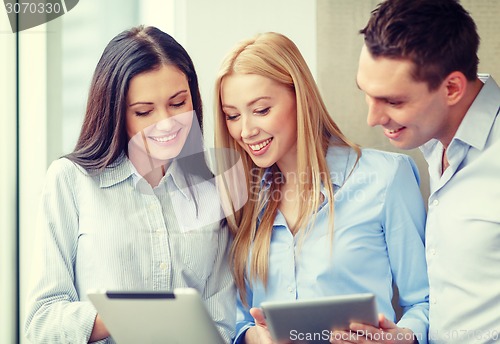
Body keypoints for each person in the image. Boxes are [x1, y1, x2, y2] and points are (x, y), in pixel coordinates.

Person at [214, 31, 429, 344]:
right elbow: (232, 317)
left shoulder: (386, 177)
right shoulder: (241, 197)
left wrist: (402, 338)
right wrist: (252, 337)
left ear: (300, 98)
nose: (245, 131)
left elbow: (426, 301)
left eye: (261, 110)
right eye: (232, 115)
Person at [24, 25, 235, 343]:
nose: (166, 123)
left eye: (178, 104)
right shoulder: (70, 181)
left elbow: (221, 324)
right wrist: (125, 314)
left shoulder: (211, 189)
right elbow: (41, 325)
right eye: (144, 111)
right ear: (116, 114)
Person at [357, 0, 500, 342]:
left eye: (393, 101)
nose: (373, 118)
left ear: (451, 88)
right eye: (367, 95)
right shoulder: (433, 141)